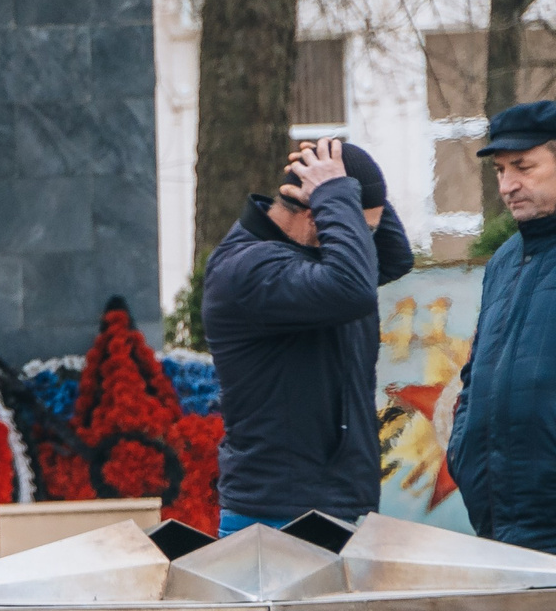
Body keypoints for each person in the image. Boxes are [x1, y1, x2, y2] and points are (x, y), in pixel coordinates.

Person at [202, 137, 413, 536]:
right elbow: (354, 288)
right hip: (278, 514)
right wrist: (339, 194)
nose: (362, 241)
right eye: (357, 228)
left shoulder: (318, 260)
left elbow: (396, 258)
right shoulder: (246, 268)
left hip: (332, 502)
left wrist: (349, 185)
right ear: (318, 216)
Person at [454, 101, 556, 553]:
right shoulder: (504, 260)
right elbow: (475, 374)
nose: (508, 185)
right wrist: (463, 452)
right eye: (499, 170)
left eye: (524, 167)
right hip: (498, 524)